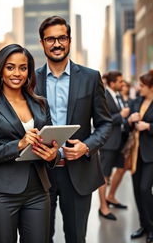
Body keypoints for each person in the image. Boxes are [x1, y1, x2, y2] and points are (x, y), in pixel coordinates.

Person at [35, 15, 112, 243]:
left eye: (61, 38)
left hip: (78, 171)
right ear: (42, 43)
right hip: (40, 173)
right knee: (39, 238)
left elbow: (105, 123)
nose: (56, 44)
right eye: (50, 39)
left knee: (76, 238)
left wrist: (86, 147)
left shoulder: (90, 77)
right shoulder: (30, 79)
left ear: (69, 41)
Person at [0, 44, 59, 243]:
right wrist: (19, 144)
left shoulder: (40, 103)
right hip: (2, 194)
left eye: (23, 68)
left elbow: (49, 143)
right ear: (0, 70)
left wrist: (53, 155)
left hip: (38, 191)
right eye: (10, 67)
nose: (17, 73)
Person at [98, 71, 130, 220]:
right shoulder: (104, 95)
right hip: (109, 142)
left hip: (121, 141)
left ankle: (111, 197)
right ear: (112, 83)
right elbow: (103, 118)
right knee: (104, 175)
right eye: (120, 81)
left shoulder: (118, 96)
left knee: (122, 168)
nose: (122, 84)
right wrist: (121, 116)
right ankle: (103, 207)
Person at [128, 70, 153, 243]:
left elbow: (147, 126)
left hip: (150, 154)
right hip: (135, 153)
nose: (139, 88)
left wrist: (149, 127)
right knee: (137, 191)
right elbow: (129, 124)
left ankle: (152, 228)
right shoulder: (137, 101)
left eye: (142, 85)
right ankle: (143, 225)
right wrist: (130, 120)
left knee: (145, 190)